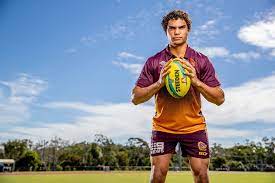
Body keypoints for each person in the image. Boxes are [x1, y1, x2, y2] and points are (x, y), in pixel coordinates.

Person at [131, 10, 225, 183]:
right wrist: (159, 83)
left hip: (193, 127)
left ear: (188, 30)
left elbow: (219, 98)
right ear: (166, 31)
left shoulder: (201, 60)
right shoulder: (154, 61)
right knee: (158, 176)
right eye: (171, 28)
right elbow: (136, 97)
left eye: (181, 27)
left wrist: (196, 82)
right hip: (163, 127)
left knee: (202, 175)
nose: (176, 32)